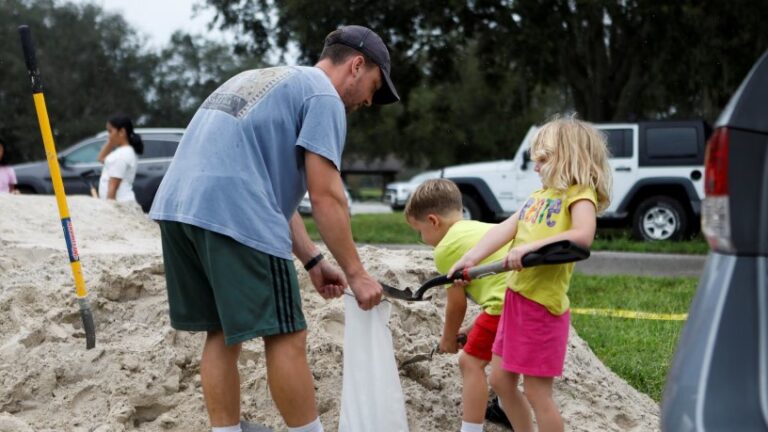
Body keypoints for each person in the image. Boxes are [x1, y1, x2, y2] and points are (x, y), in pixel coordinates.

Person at [148, 25, 399, 432]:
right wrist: (356, 272)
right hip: (234, 213)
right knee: (287, 333)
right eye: (373, 86)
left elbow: (264, 185)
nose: (369, 101)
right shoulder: (323, 97)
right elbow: (326, 196)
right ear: (356, 65)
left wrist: (313, 259)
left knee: (221, 331)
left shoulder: (261, 79)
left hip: (179, 210)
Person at [450, 116, 612, 432]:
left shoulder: (579, 195)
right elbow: (504, 230)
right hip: (516, 302)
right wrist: (468, 259)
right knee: (499, 380)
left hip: (542, 308)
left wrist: (530, 250)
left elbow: (582, 236)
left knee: (538, 392)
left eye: (543, 159)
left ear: (569, 156)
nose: (535, 167)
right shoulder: (537, 199)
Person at [404, 179, 510, 432]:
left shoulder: (447, 248)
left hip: (503, 306)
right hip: (522, 302)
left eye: (420, 232)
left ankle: (470, 429)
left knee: (470, 363)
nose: (423, 239)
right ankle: (506, 410)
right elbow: (500, 289)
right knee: (504, 362)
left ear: (433, 221)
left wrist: (449, 338)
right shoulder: (481, 229)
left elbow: (456, 304)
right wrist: (472, 330)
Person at [97, 114, 143, 202]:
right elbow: (101, 158)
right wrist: (111, 139)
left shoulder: (122, 155)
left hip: (120, 203)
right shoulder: (122, 151)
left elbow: (113, 186)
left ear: (121, 132)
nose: (108, 135)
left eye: (110, 131)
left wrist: (110, 209)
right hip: (121, 202)